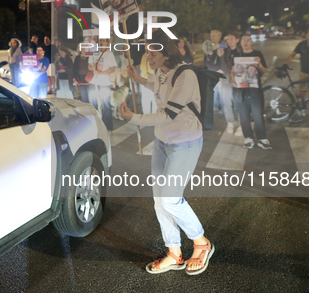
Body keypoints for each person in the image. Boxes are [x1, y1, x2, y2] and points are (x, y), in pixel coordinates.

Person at [119, 32, 214, 276]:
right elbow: (156, 85)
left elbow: (167, 114)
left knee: (171, 198)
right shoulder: (162, 72)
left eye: (153, 53)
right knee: (159, 200)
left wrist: (134, 118)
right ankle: (174, 252)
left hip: (185, 142)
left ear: (167, 53)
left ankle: (201, 243)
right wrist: (138, 77)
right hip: (162, 141)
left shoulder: (186, 75)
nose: (148, 56)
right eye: (147, 51)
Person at [231, 34, 271, 149]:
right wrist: (234, 82)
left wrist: (259, 63)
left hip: (255, 89)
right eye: (243, 40)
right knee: (243, 114)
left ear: (251, 42)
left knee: (258, 113)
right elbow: (232, 71)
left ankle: (262, 138)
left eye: (248, 40)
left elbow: (263, 71)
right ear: (241, 42)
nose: (246, 42)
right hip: (241, 89)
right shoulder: (237, 55)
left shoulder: (257, 54)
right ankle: (248, 137)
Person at [88, 38, 117, 134]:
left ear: (107, 43)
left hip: (105, 83)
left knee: (105, 105)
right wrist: (92, 67)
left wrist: (101, 73)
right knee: (94, 104)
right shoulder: (94, 53)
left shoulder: (109, 54)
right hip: (94, 82)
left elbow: (113, 68)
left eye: (104, 41)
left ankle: (108, 127)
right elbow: (89, 66)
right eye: (100, 41)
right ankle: (96, 125)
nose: (102, 42)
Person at [218, 32, 240, 134]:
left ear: (237, 40)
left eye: (232, 39)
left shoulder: (240, 51)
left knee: (239, 103)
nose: (229, 41)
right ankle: (230, 123)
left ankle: (241, 123)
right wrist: (221, 56)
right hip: (227, 80)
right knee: (227, 102)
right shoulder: (225, 51)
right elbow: (223, 67)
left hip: (239, 80)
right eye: (228, 39)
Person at [204, 30, 224, 112]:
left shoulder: (222, 46)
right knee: (213, 91)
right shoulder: (208, 47)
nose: (212, 37)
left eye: (214, 36)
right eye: (211, 36)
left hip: (219, 73)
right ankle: (215, 106)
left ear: (219, 36)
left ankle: (223, 107)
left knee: (222, 92)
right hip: (210, 73)